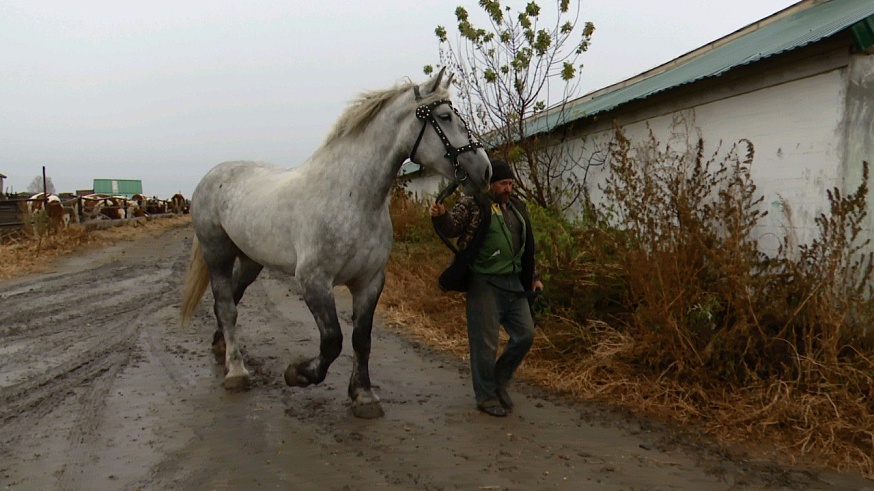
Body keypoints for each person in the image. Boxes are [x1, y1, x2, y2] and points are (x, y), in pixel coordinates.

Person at [429, 159, 543, 417]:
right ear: (491, 184)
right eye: (504, 184)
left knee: (525, 335)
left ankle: (499, 379)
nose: (508, 189)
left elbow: (527, 248)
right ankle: (486, 396)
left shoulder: (517, 208)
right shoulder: (473, 203)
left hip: (514, 284)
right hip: (485, 284)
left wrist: (534, 276)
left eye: (511, 184)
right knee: (484, 345)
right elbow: (452, 227)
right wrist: (441, 215)